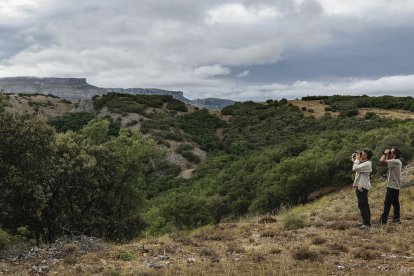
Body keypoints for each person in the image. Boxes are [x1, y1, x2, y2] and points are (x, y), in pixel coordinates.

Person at [379, 147, 402, 224]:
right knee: (395, 203)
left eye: (391, 152)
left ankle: (383, 220)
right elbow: (384, 163)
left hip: (392, 187)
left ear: (395, 154)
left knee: (387, 203)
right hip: (395, 186)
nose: (389, 153)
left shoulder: (395, 162)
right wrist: (389, 154)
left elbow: (382, 161)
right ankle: (396, 218)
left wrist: (385, 153)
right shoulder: (396, 161)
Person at [352, 149, 373, 229]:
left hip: (362, 187)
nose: (361, 154)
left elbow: (355, 168)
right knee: (365, 204)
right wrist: (355, 157)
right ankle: (366, 222)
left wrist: (357, 159)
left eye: (362, 153)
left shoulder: (367, 164)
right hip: (362, 186)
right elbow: (354, 161)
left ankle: (366, 224)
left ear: (366, 155)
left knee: (362, 205)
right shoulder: (364, 163)